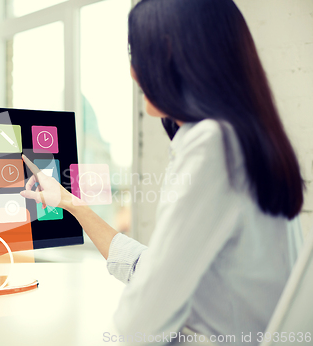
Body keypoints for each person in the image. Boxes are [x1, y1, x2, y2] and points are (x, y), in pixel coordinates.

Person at [20, 0, 305, 344]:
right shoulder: (247, 136)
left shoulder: (212, 145)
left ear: (173, 56)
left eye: (137, 53)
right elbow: (156, 269)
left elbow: (141, 323)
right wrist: (69, 202)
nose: (132, 71)